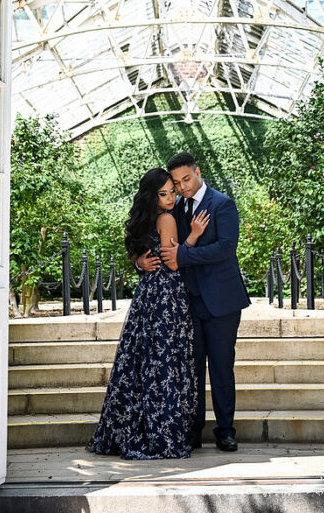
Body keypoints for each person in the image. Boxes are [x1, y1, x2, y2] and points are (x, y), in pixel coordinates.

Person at [87, 166, 209, 459]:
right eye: (163, 194)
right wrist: (193, 236)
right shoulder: (166, 219)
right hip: (167, 297)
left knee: (141, 362)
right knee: (164, 360)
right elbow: (174, 262)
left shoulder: (144, 220)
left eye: (171, 191)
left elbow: (136, 253)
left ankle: (129, 428)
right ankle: (162, 431)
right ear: (153, 198)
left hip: (146, 297)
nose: (170, 198)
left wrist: (140, 263)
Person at [158, 152, 250, 453]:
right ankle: (193, 431)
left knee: (222, 368)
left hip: (222, 301)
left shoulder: (222, 204)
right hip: (188, 302)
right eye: (177, 182)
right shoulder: (176, 207)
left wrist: (183, 256)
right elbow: (166, 245)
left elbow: (226, 248)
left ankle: (225, 431)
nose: (183, 187)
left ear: (197, 172)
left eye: (186, 179)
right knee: (192, 370)